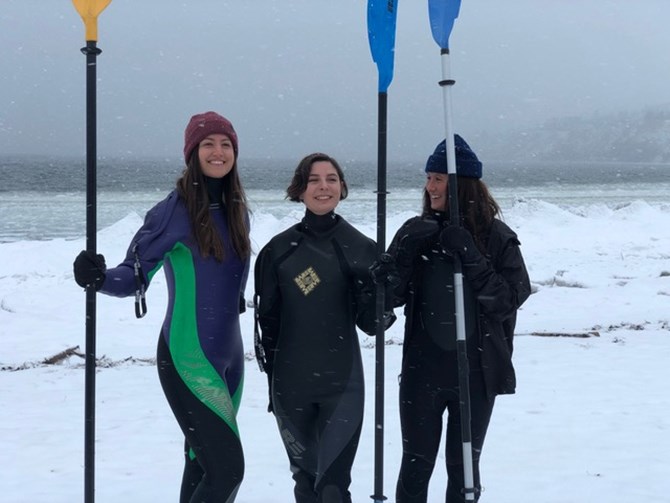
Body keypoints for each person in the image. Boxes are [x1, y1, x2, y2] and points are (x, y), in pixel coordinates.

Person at [73, 111, 251, 502]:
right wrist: (98, 277)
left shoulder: (237, 209)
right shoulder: (174, 211)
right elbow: (134, 275)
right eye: (208, 144)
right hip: (189, 356)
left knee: (202, 463)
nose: (218, 152)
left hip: (232, 359)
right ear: (192, 153)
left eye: (225, 144)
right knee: (227, 472)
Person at [386, 135, 531, 502]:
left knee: (464, 469)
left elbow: (510, 299)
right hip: (422, 373)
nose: (428, 186)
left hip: (477, 374)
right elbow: (384, 303)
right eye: (428, 177)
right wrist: (403, 254)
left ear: (461, 185)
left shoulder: (497, 238)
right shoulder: (415, 232)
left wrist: (470, 256)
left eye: (437, 178)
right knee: (416, 466)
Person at [253, 152, 395, 503]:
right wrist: (272, 384)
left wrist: (382, 293)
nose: (323, 186)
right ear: (299, 190)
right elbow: (267, 326)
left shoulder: (362, 248)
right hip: (290, 388)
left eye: (331, 179)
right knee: (305, 485)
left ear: (342, 188)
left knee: (332, 488)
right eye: (314, 180)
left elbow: (373, 325)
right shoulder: (277, 252)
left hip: (342, 387)